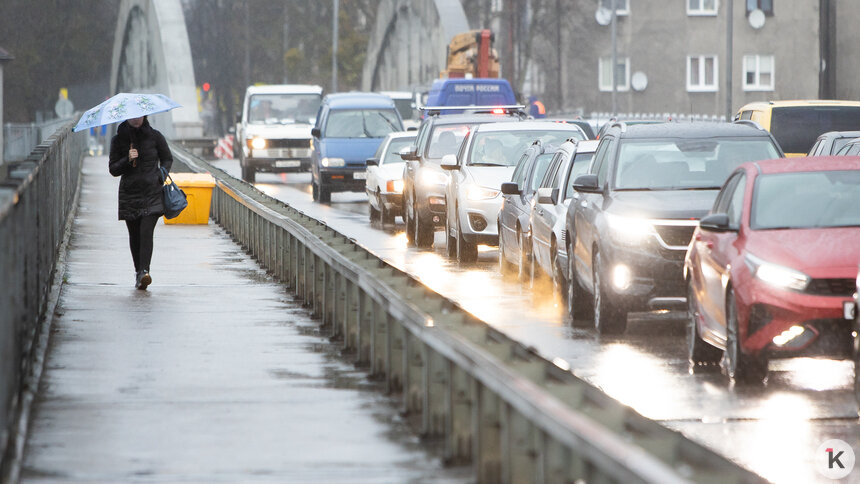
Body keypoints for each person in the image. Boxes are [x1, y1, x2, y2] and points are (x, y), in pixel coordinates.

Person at [108, 115, 173, 290]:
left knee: (146, 232)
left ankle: (145, 271)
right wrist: (127, 160)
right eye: (132, 117)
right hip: (130, 194)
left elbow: (167, 158)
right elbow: (113, 169)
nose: (136, 119)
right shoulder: (118, 140)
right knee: (135, 235)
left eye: (139, 116)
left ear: (145, 116)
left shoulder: (155, 136)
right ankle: (138, 273)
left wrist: (161, 175)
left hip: (152, 192)